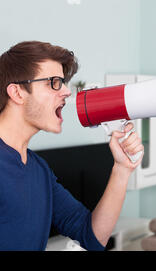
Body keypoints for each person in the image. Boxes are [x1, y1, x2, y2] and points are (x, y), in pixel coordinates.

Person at [0, 41, 144, 250]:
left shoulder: (39, 170)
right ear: (17, 92)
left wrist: (122, 170)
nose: (67, 91)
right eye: (53, 82)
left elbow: (92, 236)